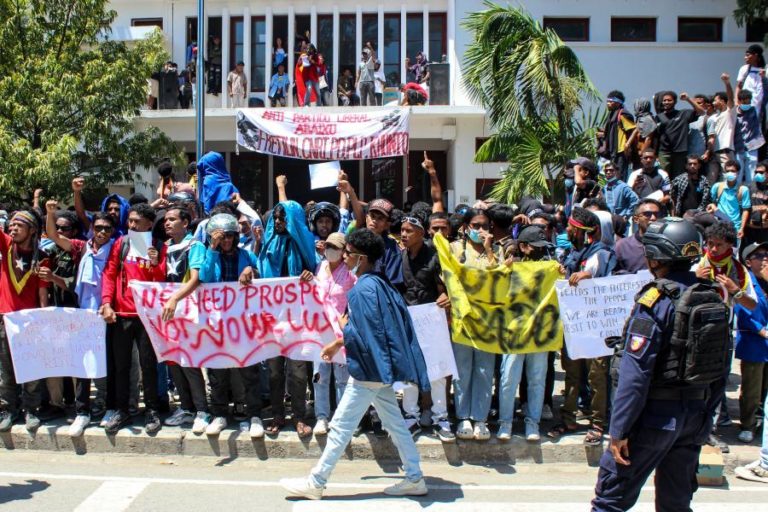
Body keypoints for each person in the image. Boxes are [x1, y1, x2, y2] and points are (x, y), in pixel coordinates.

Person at [281, 229, 431, 500]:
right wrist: (339, 341)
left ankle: (317, 481)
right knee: (395, 424)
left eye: (348, 252)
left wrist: (342, 331)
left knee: (340, 425)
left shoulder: (361, 289)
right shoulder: (380, 283)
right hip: (379, 369)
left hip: (368, 370)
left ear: (361, 258)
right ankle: (414, 477)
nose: (345, 257)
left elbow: (365, 332)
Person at [591, 218, 729, 512]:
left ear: (657, 255)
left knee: (610, 500)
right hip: (694, 416)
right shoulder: (711, 297)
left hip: (654, 417)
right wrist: (706, 420)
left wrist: (619, 430)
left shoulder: (656, 300)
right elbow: (721, 366)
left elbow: (635, 374)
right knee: (676, 503)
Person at [549, 207, 616, 444]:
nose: (568, 231)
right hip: (574, 324)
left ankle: (598, 423)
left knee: (597, 375)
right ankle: (568, 417)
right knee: (572, 373)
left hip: (596, 327)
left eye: (573, 228)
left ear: (588, 231)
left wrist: (590, 278)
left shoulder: (603, 254)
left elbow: (611, 285)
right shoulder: (573, 253)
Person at [99, 204, 167, 434]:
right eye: (130, 221)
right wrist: (107, 303)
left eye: (137, 222)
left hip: (147, 317)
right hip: (121, 315)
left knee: (149, 366)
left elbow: (162, 283)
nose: (132, 225)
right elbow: (109, 274)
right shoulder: (121, 244)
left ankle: (152, 411)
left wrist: (156, 264)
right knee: (121, 366)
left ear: (149, 223)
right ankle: (122, 410)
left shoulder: (159, 246)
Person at [257, 200, 319, 437]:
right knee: (274, 370)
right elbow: (260, 273)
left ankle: (300, 416)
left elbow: (317, 275)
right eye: (276, 219)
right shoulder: (267, 244)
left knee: (298, 370)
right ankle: (278, 414)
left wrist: (309, 275)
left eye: (284, 219)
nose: (280, 223)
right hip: (272, 318)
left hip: (298, 319)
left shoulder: (304, 246)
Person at [497, 225, 555, 442]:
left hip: (539, 332)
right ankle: (505, 422)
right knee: (508, 378)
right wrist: (503, 270)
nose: (541, 251)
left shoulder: (550, 268)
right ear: (523, 247)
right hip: (514, 333)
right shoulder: (512, 267)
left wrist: (561, 276)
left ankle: (533, 422)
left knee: (537, 379)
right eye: (536, 247)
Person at [398, 213, 453, 442]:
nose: (404, 234)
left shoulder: (436, 257)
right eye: (402, 230)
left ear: (422, 233)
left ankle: (441, 418)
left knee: (437, 372)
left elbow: (445, 287)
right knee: (410, 371)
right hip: (409, 321)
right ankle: (411, 416)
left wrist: (445, 297)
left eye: (409, 231)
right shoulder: (400, 258)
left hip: (433, 321)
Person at [299, 233, 356, 435]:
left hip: (341, 333)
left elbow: (354, 300)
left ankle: (341, 419)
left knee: (342, 378)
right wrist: (308, 280)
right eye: (329, 246)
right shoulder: (320, 267)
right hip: (320, 332)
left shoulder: (350, 273)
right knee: (320, 377)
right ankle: (322, 417)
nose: (332, 250)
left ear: (343, 251)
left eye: (337, 247)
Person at [450, 208, 499, 441]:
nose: (481, 230)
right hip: (462, 321)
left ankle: (480, 418)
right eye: (476, 226)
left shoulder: (497, 251)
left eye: (485, 226)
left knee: (484, 371)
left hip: (488, 323)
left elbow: (500, 278)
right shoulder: (455, 249)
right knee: (463, 369)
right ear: (466, 227)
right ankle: (462, 417)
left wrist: (489, 250)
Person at [0, 210, 49, 432]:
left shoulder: (42, 256)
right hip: (6, 319)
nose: (13, 228)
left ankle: (31, 410)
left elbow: (42, 294)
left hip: (31, 322)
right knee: (6, 370)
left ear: (32, 230)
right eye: (11, 225)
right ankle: (9, 410)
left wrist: (43, 318)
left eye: (19, 225)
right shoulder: (7, 247)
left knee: (31, 368)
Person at [734, 242, 768, 444]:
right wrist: (760, 330)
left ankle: (762, 422)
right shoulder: (746, 282)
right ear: (748, 261)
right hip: (754, 343)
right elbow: (742, 309)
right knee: (752, 389)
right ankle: (748, 424)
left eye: (767, 254)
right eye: (760, 256)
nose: (765, 259)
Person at [655, 90, 704, 179]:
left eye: (669, 100)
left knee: (678, 177)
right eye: (664, 100)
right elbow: (656, 136)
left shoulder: (683, 114)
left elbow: (701, 112)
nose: (666, 102)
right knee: (663, 177)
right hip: (664, 152)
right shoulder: (659, 117)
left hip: (680, 152)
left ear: (675, 101)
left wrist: (688, 99)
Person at [614, 199, 662, 274]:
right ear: (636, 219)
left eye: (657, 214)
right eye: (647, 214)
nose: (653, 218)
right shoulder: (622, 247)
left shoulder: (668, 244)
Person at [707, 160, 751, 240]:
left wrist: (742, 228)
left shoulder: (743, 190)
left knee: (734, 251)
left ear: (738, 173)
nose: (730, 173)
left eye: (733, 171)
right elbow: (710, 203)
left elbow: (745, 210)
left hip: (735, 228)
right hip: (718, 226)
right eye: (727, 171)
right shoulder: (717, 187)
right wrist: (712, 206)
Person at [706, 73, 737, 184]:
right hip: (714, 154)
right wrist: (708, 152)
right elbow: (712, 138)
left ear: (723, 101)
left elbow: (731, 97)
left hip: (726, 152)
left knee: (728, 178)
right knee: (711, 180)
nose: (713, 103)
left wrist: (727, 82)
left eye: (715, 100)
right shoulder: (714, 118)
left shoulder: (730, 113)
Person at [598, 90, 635, 179]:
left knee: (620, 175)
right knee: (613, 175)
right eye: (607, 101)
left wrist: (627, 144)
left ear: (618, 103)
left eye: (611, 102)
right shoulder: (611, 115)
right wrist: (603, 134)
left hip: (621, 151)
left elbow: (634, 129)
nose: (608, 104)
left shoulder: (622, 114)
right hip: (613, 151)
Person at [734, 89, 765, 184]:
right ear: (739, 101)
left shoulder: (753, 110)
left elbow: (764, 95)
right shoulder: (733, 113)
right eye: (744, 102)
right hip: (738, 147)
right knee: (738, 174)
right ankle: (738, 195)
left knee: (751, 174)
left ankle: (750, 195)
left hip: (752, 147)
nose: (747, 104)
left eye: (749, 101)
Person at [737, 44, 766, 115]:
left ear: (755, 56)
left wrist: (764, 77)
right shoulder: (744, 69)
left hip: (760, 105)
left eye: (747, 55)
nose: (745, 57)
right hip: (745, 103)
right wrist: (737, 102)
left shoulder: (766, 70)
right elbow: (739, 86)